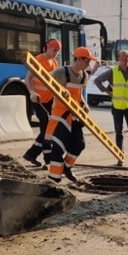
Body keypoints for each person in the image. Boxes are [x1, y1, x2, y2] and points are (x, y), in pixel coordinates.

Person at [44, 46, 97, 183]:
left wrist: (84, 105)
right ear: (78, 59)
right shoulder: (62, 72)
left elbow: (79, 96)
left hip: (74, 116)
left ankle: (67, 167)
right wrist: (60, 90)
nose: (88, 64)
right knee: (57, 148)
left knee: (79, 144)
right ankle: (54, 180)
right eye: (87, 61)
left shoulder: (84, 76)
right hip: (60, 117)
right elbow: (46, 81)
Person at [93, 50, 128, 166]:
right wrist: (107, 91)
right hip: (117, 106)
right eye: (121, 60)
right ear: (118, 59)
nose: (123, 62)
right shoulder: (113, 71)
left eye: (126, 59)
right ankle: (119, 157)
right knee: (118, 133)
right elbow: (97, 81)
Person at [23, 39, 61, 168]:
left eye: (58, 51)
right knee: (47, 130)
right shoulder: (38, 60)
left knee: (48, 129)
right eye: (54, 50)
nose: (56, 53)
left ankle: (31, 154)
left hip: (50, 100)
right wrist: (32, 93)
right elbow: (27, 79)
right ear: (47, 47)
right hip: (38, 100)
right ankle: (48, 159)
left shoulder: (55, 63)